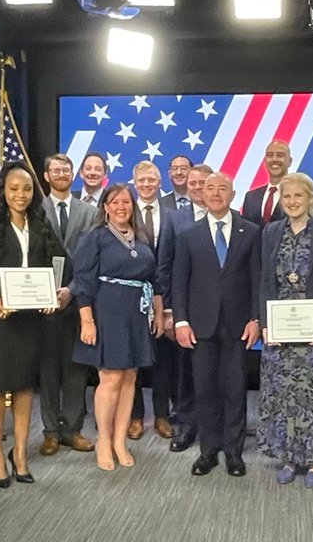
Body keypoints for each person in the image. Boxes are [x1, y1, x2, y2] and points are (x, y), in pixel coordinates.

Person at [0, 161, 70, 487]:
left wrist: (55, 289)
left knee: (25, 387)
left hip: (29, 320)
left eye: (26, 188)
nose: (21, 194)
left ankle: (21, 453)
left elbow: (62, 261)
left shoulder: (41, 225)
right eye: (14, 188)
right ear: (3, 191)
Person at [259, 172, 313, 487]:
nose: (292, 202)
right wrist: (266, 324)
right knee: (284, 395)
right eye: (286, 197)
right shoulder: (271, 231)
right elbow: (265, 281)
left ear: (310, 199)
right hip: (281, 331)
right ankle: (289, 458)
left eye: (298, 196)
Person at [173, 173, 261, 478]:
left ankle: (233, 453)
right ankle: (208, 451)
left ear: (232, 194)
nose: (215, 193)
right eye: (210, 188)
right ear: (201, 193)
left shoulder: (250, 231)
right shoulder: (188, 234)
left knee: (235, 389)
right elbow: (179, 282)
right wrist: (181, 320)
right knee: (205, 389)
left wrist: (256, 319)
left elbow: (257, 279)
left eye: (222, 188)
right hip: (200, 326)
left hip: (238, 326)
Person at [72, 184, 164, 470]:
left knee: (129, 379)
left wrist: (159, 313)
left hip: (136, 314)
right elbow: (83, 283)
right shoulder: (94, 238)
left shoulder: (142, 237)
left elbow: (155, 278)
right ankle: (103, 440)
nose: (122, 207)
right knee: (110, 379)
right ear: (106, 207)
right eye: (116, 202)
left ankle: (119, 441)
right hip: (106, 312)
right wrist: (87, 320)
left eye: (127, 202)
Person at [37, 153, 98, 456]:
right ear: (46, 176)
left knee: (76, 369)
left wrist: (71, 290)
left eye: (66, 169)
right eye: (56, 169)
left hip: (78, 301)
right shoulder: (35, 210)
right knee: (47, 370)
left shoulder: (89, 212)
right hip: (41, 304)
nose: (62, 173)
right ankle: (50, 431)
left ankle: (73, 430)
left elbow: (90, 260)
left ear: (73, 175)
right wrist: (46, 292)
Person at [158, 164, 213, 452]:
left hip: (219, 310)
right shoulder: (175, 219)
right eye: (191, 183)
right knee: (186, 372)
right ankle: (186, 425)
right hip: (185, 310)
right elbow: (164, 266)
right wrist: (169, 311)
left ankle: (214, 426)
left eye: (202, 182)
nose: (195, 187)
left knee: (215, 371)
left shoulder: (228, 217)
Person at [129, 160, 176, 440]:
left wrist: (168, 306)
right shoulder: (123, 211)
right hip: (131, 299)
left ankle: (161, 415)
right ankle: (135, 416)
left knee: (162, 363)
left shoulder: (173, 214)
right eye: (142, 180)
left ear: (160, 183)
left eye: (152, 180)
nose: (147, 184)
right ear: (135, 183)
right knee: (133, 359)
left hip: (164, 298)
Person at [241, 139, 291, 228]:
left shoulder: (297, 196)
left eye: (280, 155)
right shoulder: (251, 197)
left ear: (289, 161)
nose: (274, 159)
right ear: (264, 161)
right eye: (270, 155)